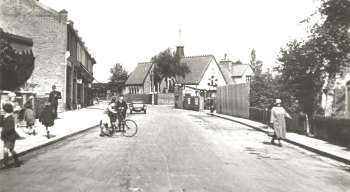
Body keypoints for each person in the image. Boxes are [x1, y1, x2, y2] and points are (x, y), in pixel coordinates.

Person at [0, 103, 22, 168]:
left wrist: (4, 132)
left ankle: (5, 164)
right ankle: (17, 161)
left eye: (3, 109)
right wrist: (1, 116)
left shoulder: (10, 118)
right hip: (7, 137)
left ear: (6, 110)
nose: (2, 110)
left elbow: (11, 128)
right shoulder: (5, 117)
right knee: (11, 149)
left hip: (10, 136)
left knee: (6, 149)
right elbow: (1, 124)